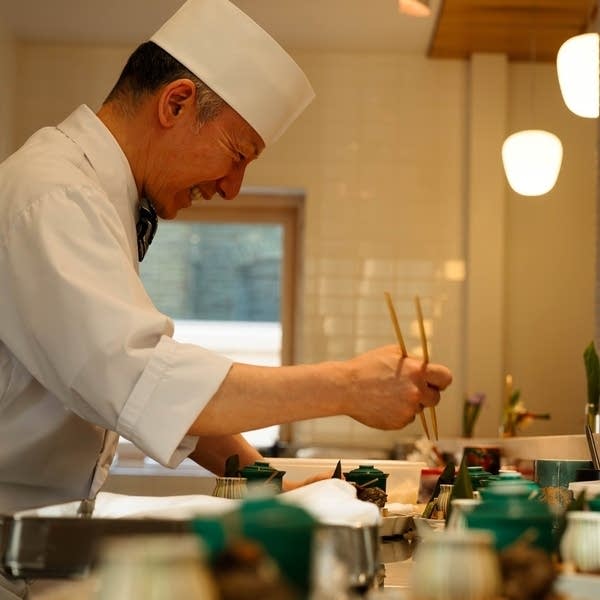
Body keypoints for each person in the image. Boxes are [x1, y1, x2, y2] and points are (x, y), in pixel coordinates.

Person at [0, 0, 452, 593]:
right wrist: (346, 386)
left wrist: (263, 477)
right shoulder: (53, 195)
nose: (231, 188)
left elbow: (153, 388)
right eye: (236, 155)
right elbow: (141, 381)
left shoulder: (92, 198)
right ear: (177, 102)